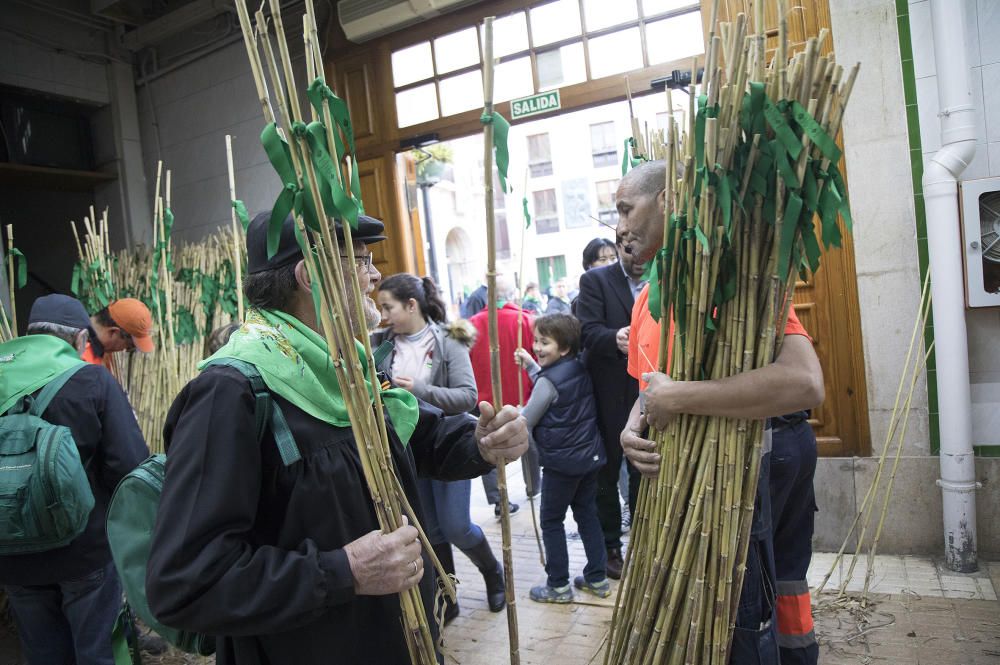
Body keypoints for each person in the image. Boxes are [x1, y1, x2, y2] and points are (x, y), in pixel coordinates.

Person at [146, 212, 528, 665]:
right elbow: (186, 582)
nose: (376, 275)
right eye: (361, 259)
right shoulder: (231, 392)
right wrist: (342, 572)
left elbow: (420, 437)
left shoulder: (346, 367)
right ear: (310, 275)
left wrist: (482, 442)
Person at [615, 160, 824, 664]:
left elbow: (805, 383)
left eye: (626, 209)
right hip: (680, 485)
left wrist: (682, 397)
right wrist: (630, 429)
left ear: (667, 200)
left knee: (745, 613)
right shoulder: (649, 297)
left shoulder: (734, 285)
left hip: (742, 471)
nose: (618, 227)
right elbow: (647, 389)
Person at [0, 294, 149, 665]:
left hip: (13, 553)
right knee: (97, 652)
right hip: (84, 551)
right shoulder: (92, 381)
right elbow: (130, 466)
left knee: (42, 653)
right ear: (81, 339)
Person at [372, 273, 506, 620]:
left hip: (446, 445)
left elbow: (467, 397)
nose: (383, 315)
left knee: (455, 525)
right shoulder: (379, 344)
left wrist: (418, 390)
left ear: (411, 305)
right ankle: (449, 593)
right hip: (407, 453)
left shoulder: (448, 341)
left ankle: (493, 573)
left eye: (388, 307)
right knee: (428, 531)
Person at [513, 314, 609, 603]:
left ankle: (557, 586)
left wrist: (516, 413)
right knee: (587, 515)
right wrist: (532, 365)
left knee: (552, 520)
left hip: (561, 465)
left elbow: (529, 417)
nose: (537, 347)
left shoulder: (548, 381)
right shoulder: (577, 367)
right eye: (535, 341)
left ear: (564, 348)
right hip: (589, 458)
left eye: (544, 342)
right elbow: (553, 387)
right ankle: (597, 578)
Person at [575, 236, 645, 580]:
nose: (640, 258)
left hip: (651, 392)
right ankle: (610, 547)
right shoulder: (596, 281)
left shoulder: (666, 277)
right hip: (608, 394)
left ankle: (645, 543)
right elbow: (586, 332)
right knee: (606, 471)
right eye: (631, 251)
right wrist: (616, 338)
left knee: (643, 471)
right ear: (621, 247)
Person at [468, 274, 539, 516]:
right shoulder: (525, 321)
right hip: (520, 393)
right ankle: (532, 486)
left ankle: (499, 499)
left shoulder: (473, 324)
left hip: (486, 397)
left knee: (488, 442)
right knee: (524, 436)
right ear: (511, 295)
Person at [769, 412, 819, 664]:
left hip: (768, 444)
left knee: (758, 575)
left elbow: (809, 386)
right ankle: (797, 656)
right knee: (787, 569)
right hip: (792, 437)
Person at [82, 298, 155, 367]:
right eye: (128, 346)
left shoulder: (74, 322)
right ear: (113, 332)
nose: (124, 350)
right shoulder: (84, 363)